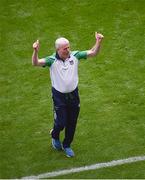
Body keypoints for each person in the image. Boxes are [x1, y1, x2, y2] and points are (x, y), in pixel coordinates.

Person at [32, 32, 104, 157]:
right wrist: (35, 51)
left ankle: (67, 145)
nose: (68, 50)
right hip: (59, 97)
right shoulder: (51, 60)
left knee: (72, 122)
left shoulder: (75, 56)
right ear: (58, 49)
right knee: (61, 123)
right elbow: (35, 63)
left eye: (69, 47)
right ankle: (54, 135)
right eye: (65, 48)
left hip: (74, 95)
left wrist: (98, 42)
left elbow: (93, 53)